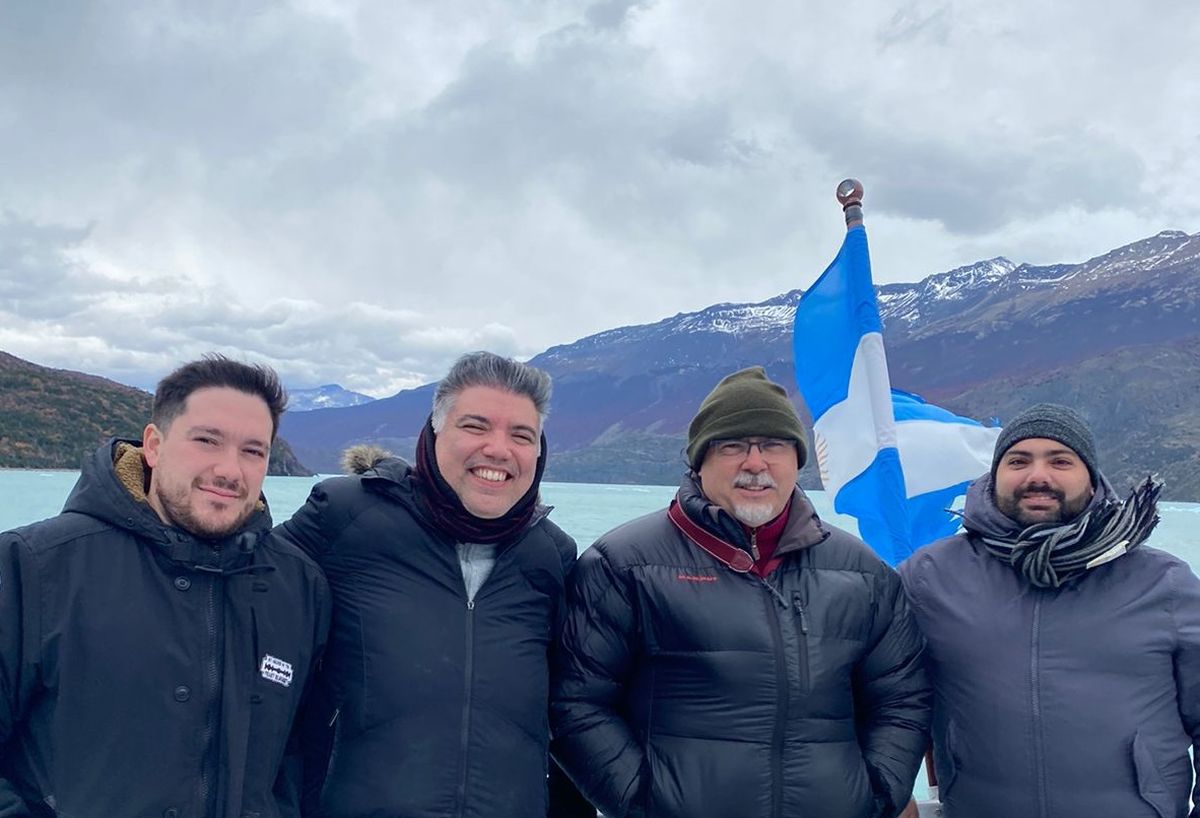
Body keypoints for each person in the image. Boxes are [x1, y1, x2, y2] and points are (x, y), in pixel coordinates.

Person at [551, 366, 931, 818]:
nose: (755, 463)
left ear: (796, 460)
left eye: (773, 445)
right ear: (699, 461)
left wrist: (873, 795)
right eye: (732, 445)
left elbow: (901, 697)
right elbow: (576, 701)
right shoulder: (623, 565)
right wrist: (644, 802)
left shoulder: (864, 574)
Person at [0, 355, 330, 818]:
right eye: (206, 441)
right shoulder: (34, 566)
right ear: (154, 445)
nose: (230, 470)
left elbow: (298, 758)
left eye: (253, 451)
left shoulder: (298, 586)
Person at [277, 351, 590, 818]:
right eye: (475, 426)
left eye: (521, 435)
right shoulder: (346, 517)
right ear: (435, 430)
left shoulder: (551, 555)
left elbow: (575, 705)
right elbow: (235, 597)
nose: (499, 450)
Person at [899, 403, 1195, 818]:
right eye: (1018, 460)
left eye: (1060, 460)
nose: (1038, 475)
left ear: (1091, 479)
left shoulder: (1163, 583)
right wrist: (891, 794)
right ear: (994, 476)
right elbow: (887, 702)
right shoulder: (930, 577)